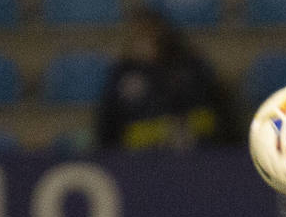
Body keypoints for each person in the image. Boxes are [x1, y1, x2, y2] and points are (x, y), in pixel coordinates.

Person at [95, 8, 240, 151]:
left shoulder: (190, 68)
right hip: (137, 158)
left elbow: (216, 115)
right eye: (135, 35)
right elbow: (109, 126)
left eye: (146, 34)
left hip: (195, 153)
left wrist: (180, 128)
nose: (140, 42)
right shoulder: (122, 73)